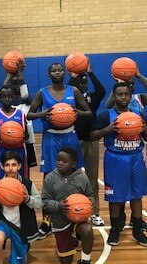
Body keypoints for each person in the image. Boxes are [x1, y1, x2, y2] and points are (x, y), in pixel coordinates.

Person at [27, 63, 92, 239]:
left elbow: (88, 113)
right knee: (49, 176)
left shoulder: (74, 91)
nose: (57, 72)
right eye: (53, 70)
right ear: (49, 75)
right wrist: (42, 115)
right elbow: (29, 115)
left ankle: (79, 210)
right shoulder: (42, 92)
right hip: (51, 137)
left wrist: (75, 112)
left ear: (64, 73)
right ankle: (47, 221)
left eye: (60, 70)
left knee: (76, 174)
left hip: (69, 136)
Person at [90, 82, 147, 247]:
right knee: (115, 197)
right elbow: (93, 136)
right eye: (119, 94)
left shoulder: (139, 114)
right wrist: (107, 130)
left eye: (126, 94)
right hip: (115, 159)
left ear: (130, 96)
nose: (123, 97)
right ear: (114, 96)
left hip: (136, 157)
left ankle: (137, 229)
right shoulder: (105, 116)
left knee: (137, 196)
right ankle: (114, 230)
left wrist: (143, 128)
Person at [41, 147, 98, 264]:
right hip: (60, 221)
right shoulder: (50, 178)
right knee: (66, 261)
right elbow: (44, 202)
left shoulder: (81, 177)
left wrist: (89, 203)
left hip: (78, 219)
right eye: (58, 160)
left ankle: (85, 262)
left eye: (64, 161)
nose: (60, 163)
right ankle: (71, 240)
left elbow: (90, 195)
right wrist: (59, 205)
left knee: (87, 229)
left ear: (73, 163)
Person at [67, 59, 107, 226]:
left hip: (90, 141)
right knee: (72, 178)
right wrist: (73, 76)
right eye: (79, 82)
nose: (82, 85)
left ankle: (94, 212)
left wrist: (90, 73)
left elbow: (102, 90)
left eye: (84, 83)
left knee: (92, 178)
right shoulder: (70, 97)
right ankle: (72, 209)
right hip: (74, 140)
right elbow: (69, 88)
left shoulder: (92, 97)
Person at [3, 59, 38, 172]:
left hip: (26, 135)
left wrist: (19, 73)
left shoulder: (26, 98)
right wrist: (9, 72)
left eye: (19, 84)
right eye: (14, 84)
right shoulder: (8, 101)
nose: (17, 86)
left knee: (26, 165)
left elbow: (24, 91)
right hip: (12, 135)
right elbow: (2, 89)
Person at [0, 85, 28, 182]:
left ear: (14, 98)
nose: (7, 99)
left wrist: (20, 135)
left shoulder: (21, 114)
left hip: (18, 150)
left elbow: (27, 136)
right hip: (1, 150)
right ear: (0, 98)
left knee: (21, 180)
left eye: (10, 96)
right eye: (4, 96)